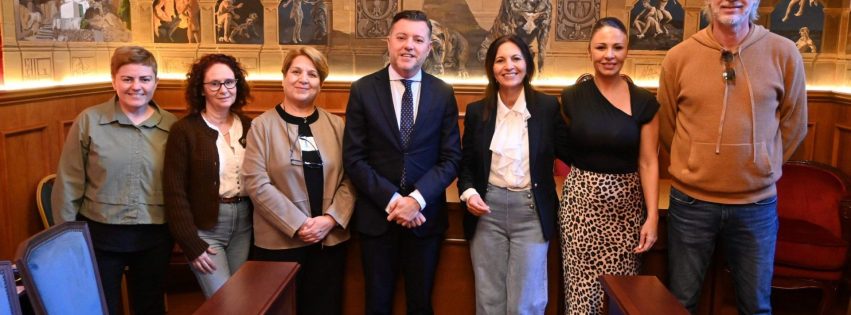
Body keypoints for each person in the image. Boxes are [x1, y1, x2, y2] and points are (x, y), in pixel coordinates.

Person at [657, 0, 808, 312]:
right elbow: (667, 125)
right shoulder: (678, 57)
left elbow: (795, 123)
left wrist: (763, 163)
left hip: (756, 205)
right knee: (680, 303)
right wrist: (694, 161)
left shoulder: (784, 53)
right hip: (691, 204)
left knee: (756, 306)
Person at [343, 10, 462, 315]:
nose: (409, 45)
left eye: (418, 40)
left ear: (429, 48)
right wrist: (396, 202)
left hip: (425, 219)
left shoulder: (443, 93)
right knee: (377, 304)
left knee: (420, 304)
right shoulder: (363, 90)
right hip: (377, 217)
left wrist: (416, 200)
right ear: (389, 42)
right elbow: (354, 158)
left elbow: (451, 159)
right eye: (402, 37)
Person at [52, 45, 178, 315]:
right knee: (102, 306)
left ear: (156, 82)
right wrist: (66, 239)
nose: (136, 86)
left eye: (145, 79)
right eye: (127, 79)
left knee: (151, 307)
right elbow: (69, 183)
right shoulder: (89, 121)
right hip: (101, 234)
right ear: (114, 81)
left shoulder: (172, 126)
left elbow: (179, 187)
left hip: (155, 235)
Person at [557, 17, 660, 315]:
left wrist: (652, 217)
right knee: (580, 297)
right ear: (589, 51)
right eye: (601, 47)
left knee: (621, 297)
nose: (609, 55)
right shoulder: (571, 98)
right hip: (580, 211)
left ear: (627, 50)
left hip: (626, 213)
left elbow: (649, 161)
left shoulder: (644, 101)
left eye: (617, 47)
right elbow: (561, 149)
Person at [243, 46, 354, 315]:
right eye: (296, 72)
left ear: (320, 83)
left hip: (328, 241)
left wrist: (330, 219)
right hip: (280, 243)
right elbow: (256, 183)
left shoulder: (337, 125)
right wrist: (299, 224)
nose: (303, 79)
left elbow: (351, 179)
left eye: (312, 74)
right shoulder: (261, 126)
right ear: (284, 77)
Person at [458, 35, 562, 315]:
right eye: (500, 60)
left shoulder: (547, 108)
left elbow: (570, 151)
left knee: (525, 302)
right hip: (486, 212)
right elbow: (466, 164)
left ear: (527, 64)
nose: (509, 66)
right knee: (489, 300)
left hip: (531, 212)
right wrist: (469, 193)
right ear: (491, 68)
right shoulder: (477, 111)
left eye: (516, 58)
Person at [163, 54, 253, 299]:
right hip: (206, 228)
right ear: (201, 89)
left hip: (244, 226)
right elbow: (174, 193)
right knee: (223, 302)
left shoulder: (249, 126)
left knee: (241, 299)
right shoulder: (184, 131)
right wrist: (190, 244)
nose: (223, 89)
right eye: (214, 83)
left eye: (229, 82)